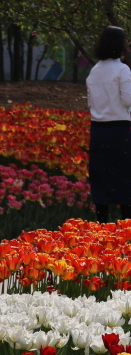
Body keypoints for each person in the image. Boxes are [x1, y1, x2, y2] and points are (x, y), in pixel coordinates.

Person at [87, 26, 131, 222]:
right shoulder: (122, 70)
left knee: (101, 179)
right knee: (124, 179)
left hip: (97, 130)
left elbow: (90, 102)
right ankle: (125, 228)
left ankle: (102, 226)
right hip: (119, 130)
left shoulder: (95, 70)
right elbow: (128, 100)